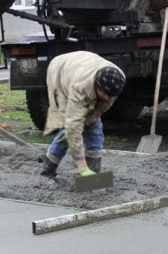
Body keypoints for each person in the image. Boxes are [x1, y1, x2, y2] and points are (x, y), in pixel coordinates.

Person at [40, 51, 126, 179]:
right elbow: (74, 127)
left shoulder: (117, 81)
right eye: (104, 94)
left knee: (94, 129)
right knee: (68, 132)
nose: (107, 98)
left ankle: (92, 177)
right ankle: (47, 173)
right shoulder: (79, 88)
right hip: (59, 73)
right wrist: (82, 167)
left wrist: (87, 121)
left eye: (110, 95)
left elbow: (101, 108)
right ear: (97, 86)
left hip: (81, 65)